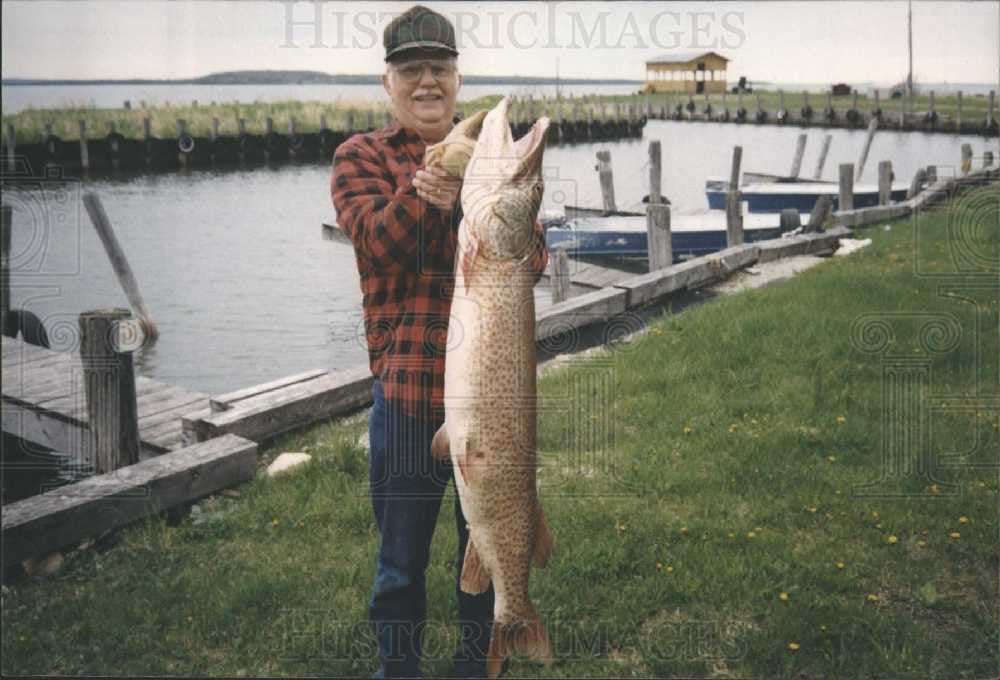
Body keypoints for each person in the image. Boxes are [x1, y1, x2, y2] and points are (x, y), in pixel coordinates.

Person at [329, 6, 548, 678]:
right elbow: (379, 242)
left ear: (456, 78)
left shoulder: (484, 165)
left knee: (480, 557)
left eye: (440, 69)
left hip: (492, 416)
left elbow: (530, 259)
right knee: (400, 567)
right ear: (388, 81)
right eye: (411, 69)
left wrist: (473, 186)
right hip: (405, 403)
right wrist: (433, 195)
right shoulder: (360, 157)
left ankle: (480, 663)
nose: (427, 81)